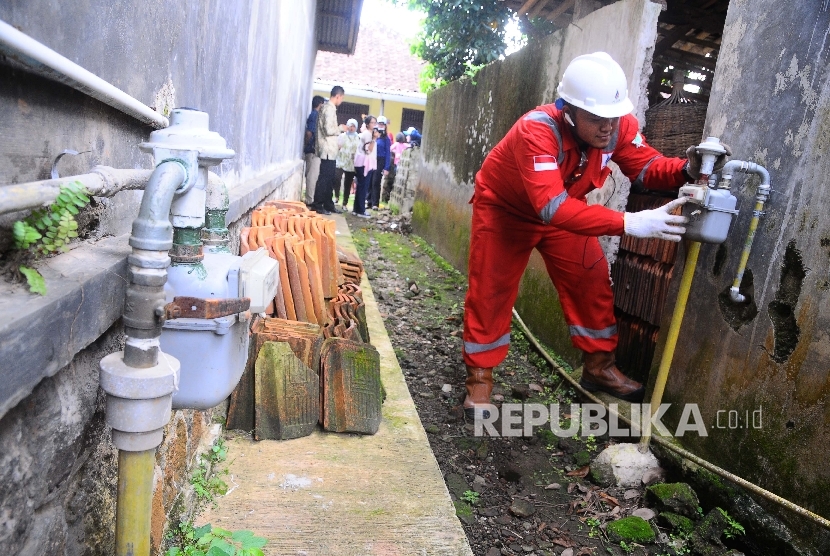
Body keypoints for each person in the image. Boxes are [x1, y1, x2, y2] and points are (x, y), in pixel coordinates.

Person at [461, 52, 730, 420]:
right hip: (507, 211)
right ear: (568, 111)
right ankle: (480, 378)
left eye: (613, 117)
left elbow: (647, 167)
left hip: (565, 209)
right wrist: (629, 223)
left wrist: (686, 168)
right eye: (597, 119)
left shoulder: (617, 126)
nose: (608, 128)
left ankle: (599, 367)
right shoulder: (537, 130)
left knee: (591, 281)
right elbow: (550, 208)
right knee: (490, 289)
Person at [311, 85, 345, 215]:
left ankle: (328, 204)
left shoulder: (328, 108)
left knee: (330, 178)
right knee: (325, 178)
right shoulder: (329, 109)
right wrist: (341, 128)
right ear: (338, 96)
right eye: (341, 98)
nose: (341, 101)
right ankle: (318, 204)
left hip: (331, 149)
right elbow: (328, 130)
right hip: (327, 149)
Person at [352, 115, 376, 218]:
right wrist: (374, 139)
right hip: (364, 163)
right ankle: (361, 210)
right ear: (367, 124)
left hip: (362, 162)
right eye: (372, 123)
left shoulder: (368, 134)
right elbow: (368, 150)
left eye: (375, 123)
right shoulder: (367, 134)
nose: (374, 125)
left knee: (361, 186)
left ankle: (356, 209)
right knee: (363, 187)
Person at [303, 96, 325, 206]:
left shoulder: (315, 115)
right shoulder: (315, 115)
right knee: (312, 176)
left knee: (312, 175)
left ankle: (310, 198)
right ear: (320, 104)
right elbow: (309, 133)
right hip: (312, 150)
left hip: (312, 149)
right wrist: (309, 145)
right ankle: (309, 200)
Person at [335, 118, 360, 208]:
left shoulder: (358, 137)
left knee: (348, 183)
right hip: (340, 161)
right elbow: (337, 147)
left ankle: (345, 202)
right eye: (350, 126)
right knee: (336, 179)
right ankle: (337, 196)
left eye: (353, 126)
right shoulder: (342, 136)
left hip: (351, 163)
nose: (351, 128)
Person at [370, 116, 393, 210]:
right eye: (379, 124)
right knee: (370, 180)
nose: (380, 126)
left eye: (382, 124)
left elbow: (388, 153)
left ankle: (375, 203)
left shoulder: (386, 139)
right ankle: (369, 201)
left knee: (376, 181)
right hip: (371, 159)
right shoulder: (373, 135)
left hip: (380, 160)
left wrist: (387, 167)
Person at [383, 132, 410, 203]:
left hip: (396, 164)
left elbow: (390, 149)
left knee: (394, 177)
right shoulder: (405, 145)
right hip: (403, 164)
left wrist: (395, 152)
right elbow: (410, 147)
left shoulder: (396, 144)